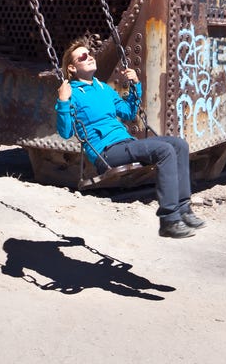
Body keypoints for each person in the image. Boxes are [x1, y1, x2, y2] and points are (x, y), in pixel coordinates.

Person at [55, 39, 206, 239]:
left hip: (125, 143)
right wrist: (63, 101)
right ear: (72, 68)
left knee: (179, 144)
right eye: (83, 56)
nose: (89, 56)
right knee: (164, 151)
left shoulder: (102, 88)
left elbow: (128, 112)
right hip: (106, 151)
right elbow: (65, 132)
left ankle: (183, 208)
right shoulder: (71, 93)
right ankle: (169, 219)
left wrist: (135, 86)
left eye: (90, 53)